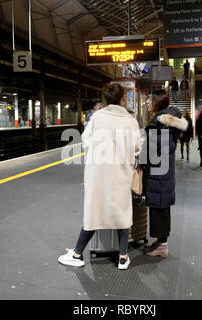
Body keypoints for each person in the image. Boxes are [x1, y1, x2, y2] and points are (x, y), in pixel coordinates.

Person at [58, 84, 141, 270]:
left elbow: (86, 143)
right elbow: (136, 148)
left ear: (105, 99)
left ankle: (77, 254)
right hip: (121, 172)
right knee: (122, 211)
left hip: (99, 173)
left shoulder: (97, 118)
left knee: (94, 211)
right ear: (124, 99)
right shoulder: (130, 120)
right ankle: (122, 257)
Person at [142, 90, 188, 258]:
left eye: (149, 99)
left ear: (157, 103)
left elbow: (150, 153)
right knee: (162, 205)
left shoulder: (157, 124)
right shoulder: (167, 122)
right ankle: (161, 242)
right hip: (164, 170)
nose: (147, 102)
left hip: (157, 173)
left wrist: (139, 155)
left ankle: (162, 245)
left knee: (158, 206)